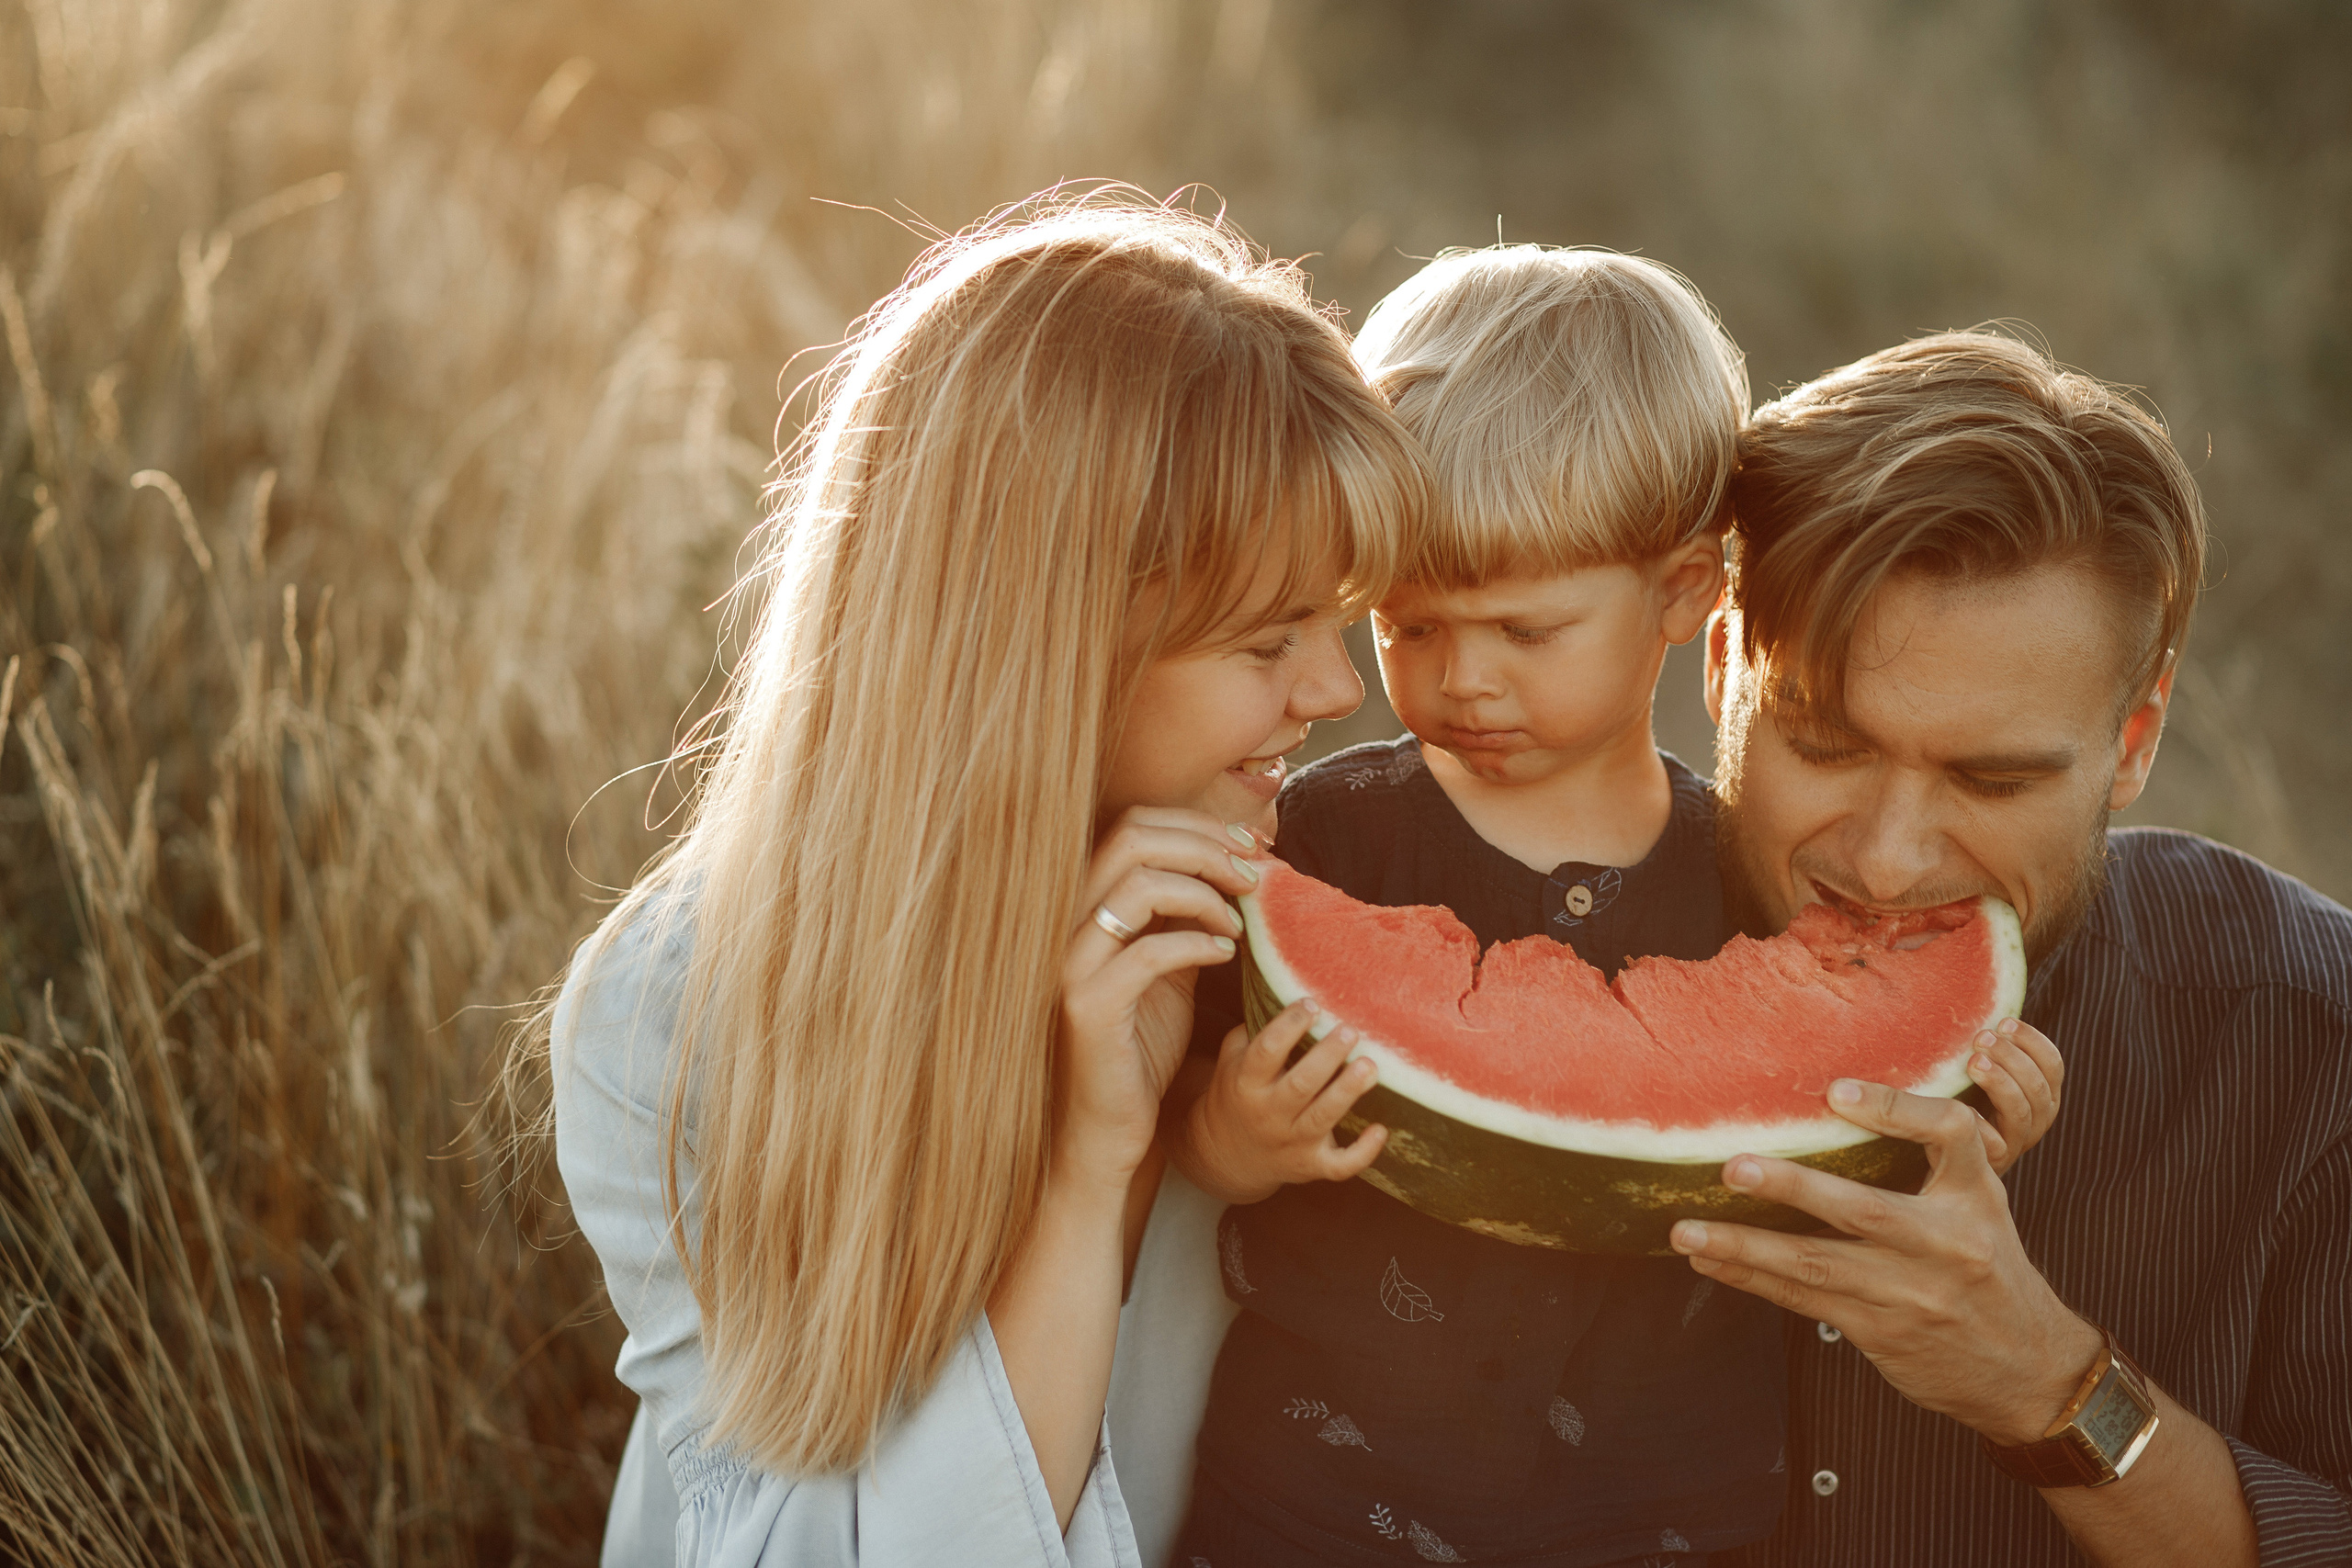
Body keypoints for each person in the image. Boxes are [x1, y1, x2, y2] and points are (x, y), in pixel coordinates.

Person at [546, 190, 1430, 1566]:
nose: (1337, 690)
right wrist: (1093, 1172)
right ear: (1055, 644)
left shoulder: (1289, 900)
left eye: (1342, 622)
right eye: (1268, 642)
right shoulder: (669, 1016)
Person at [1163, 251, 2064, 1566]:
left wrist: (1944, 1122)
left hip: (1670, 1529)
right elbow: (1170, 1131)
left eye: (1526, 633)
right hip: (1311, 1516)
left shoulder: (1757, 880)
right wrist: (1229, 1138)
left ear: (1685, 591)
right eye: (1407, 629)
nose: (1461, 679)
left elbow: (1815, 1148)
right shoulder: (1313, 840)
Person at [1675, 330, 2352, 1567]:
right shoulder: (1530, 924)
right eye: (1824, 746)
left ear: (2134, 741)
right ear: (1724, 668)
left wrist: (2042, 1379)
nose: (1885, 858)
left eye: (1990, 779)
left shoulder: (2313, 1047)